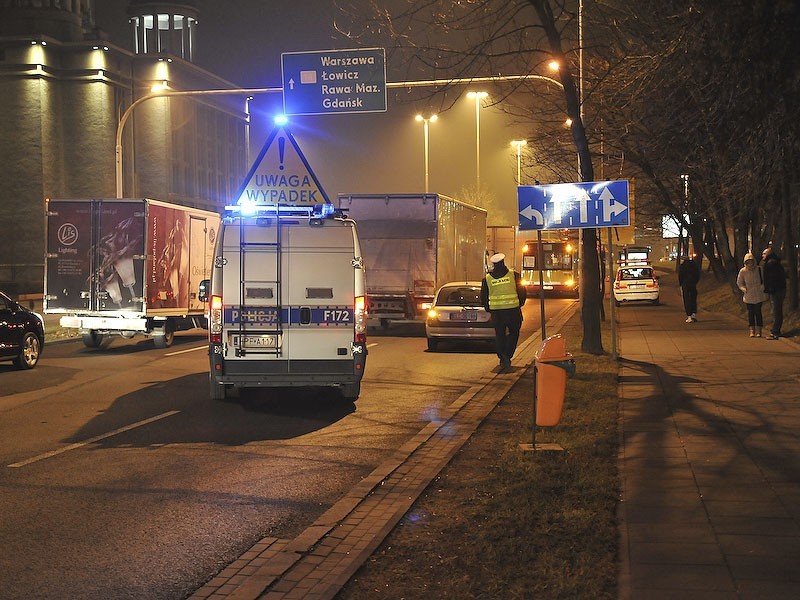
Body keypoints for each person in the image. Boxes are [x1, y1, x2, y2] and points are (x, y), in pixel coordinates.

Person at [481, 253, 526, 370]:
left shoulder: (487, 279)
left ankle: (502, 356)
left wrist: (489, 309)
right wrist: (519, 304)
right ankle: (507, 355)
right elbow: (522, 292)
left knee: (500, 335)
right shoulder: (514, 275)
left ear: (493, 264)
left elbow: (484, 297)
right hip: (513, 311)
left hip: (497, 313)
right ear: (503, 262)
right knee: (514, 333)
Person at [736, 252, 768, 337]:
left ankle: (759, 330)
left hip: (758, 294)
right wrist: (744, 289)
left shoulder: (759, 269)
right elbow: (739, 282)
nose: (749, 264)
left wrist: (762, 287)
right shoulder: (743, 271)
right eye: (748, 262)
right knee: (751, 313)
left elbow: (765, 280)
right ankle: (752, 329)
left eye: (751, 261)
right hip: (748, 295)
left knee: (758, 312)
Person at [761, 247, 787, 340]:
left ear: (768, 254)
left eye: (764, 254)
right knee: (777, 310)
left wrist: (770, 289)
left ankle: (776, 332)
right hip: (779, 289)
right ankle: (776, 330)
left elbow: (772, 278)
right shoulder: (774, 262)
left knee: (776, 311)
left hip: (776, 290)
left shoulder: (771, 264)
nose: (762, 256)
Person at [678, 256, 700, 323]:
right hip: (693, 284)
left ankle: (689, 316)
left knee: (686, 299)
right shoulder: (694, 266)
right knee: (693, 298)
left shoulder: (682, 267)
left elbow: (680, 276)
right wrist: (695, 282)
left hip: (685, 284)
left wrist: (680, 284)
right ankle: (693, 314)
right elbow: (698, 275)